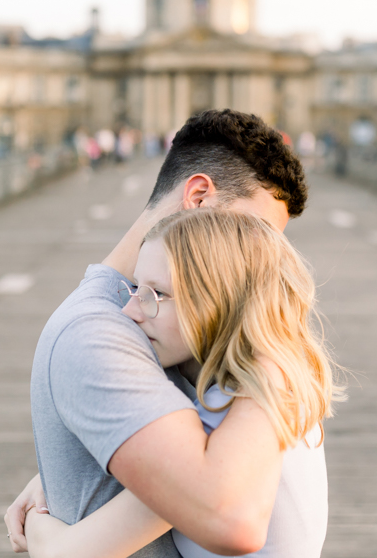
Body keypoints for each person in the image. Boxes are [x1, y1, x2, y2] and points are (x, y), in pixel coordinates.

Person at [5, 109, 310, 556]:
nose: (262, 257)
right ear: (199, 198)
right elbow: (228, 514)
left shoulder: (190, 329)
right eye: (251, 230)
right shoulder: (100, 330)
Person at [22, 208, 341, 558]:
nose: (129, 312)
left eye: (156, 294)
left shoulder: (228, 421)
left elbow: (68, 554)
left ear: (217, 299)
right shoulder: (254, 391)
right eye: (134, 288)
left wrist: (37, 526)